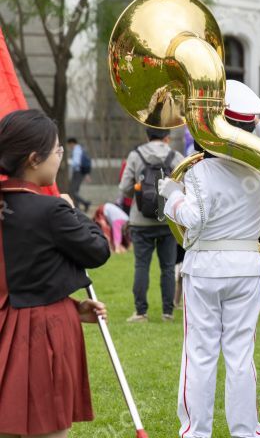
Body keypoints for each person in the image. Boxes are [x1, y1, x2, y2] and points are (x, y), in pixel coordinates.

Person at [160, 80, 260, 437]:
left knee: (199, 355)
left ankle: (196, 432)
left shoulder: (199, 170)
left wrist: (171, 197)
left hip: (205, 268)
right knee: (240, 358)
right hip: (247, 268)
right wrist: (255, 122)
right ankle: (247, 432)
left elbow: (193, 218)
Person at [0, 109, 110, 437]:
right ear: (35, 159)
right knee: (44, 426)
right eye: (58, 151)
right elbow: (98, 250)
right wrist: (73, 212)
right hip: (37, 333)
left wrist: (72, 309)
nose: (60, 158)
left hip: (16, 323)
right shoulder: (52, 211)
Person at [119, 127, 184, 323]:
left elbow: (124, 188)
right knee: (167, 268)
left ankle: (140, 313)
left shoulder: (136, 155)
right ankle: (168, 312)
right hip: (168, 220)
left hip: (140, 221)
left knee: (141, 265)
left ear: (147, 136)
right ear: (167, 137)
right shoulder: (176, 156)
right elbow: (186, 184)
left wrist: (140, 196)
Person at [66, 137, 91, 211]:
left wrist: (68, 162)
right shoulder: (80, 148)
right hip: (80, 172)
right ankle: (77, 208)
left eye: (69, 145)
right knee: (75, 191)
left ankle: (85, 203)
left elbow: (76, 163)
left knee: (72, 191)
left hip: (78, 172)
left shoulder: (76, 150)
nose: (69, 147)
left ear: (72, 143)